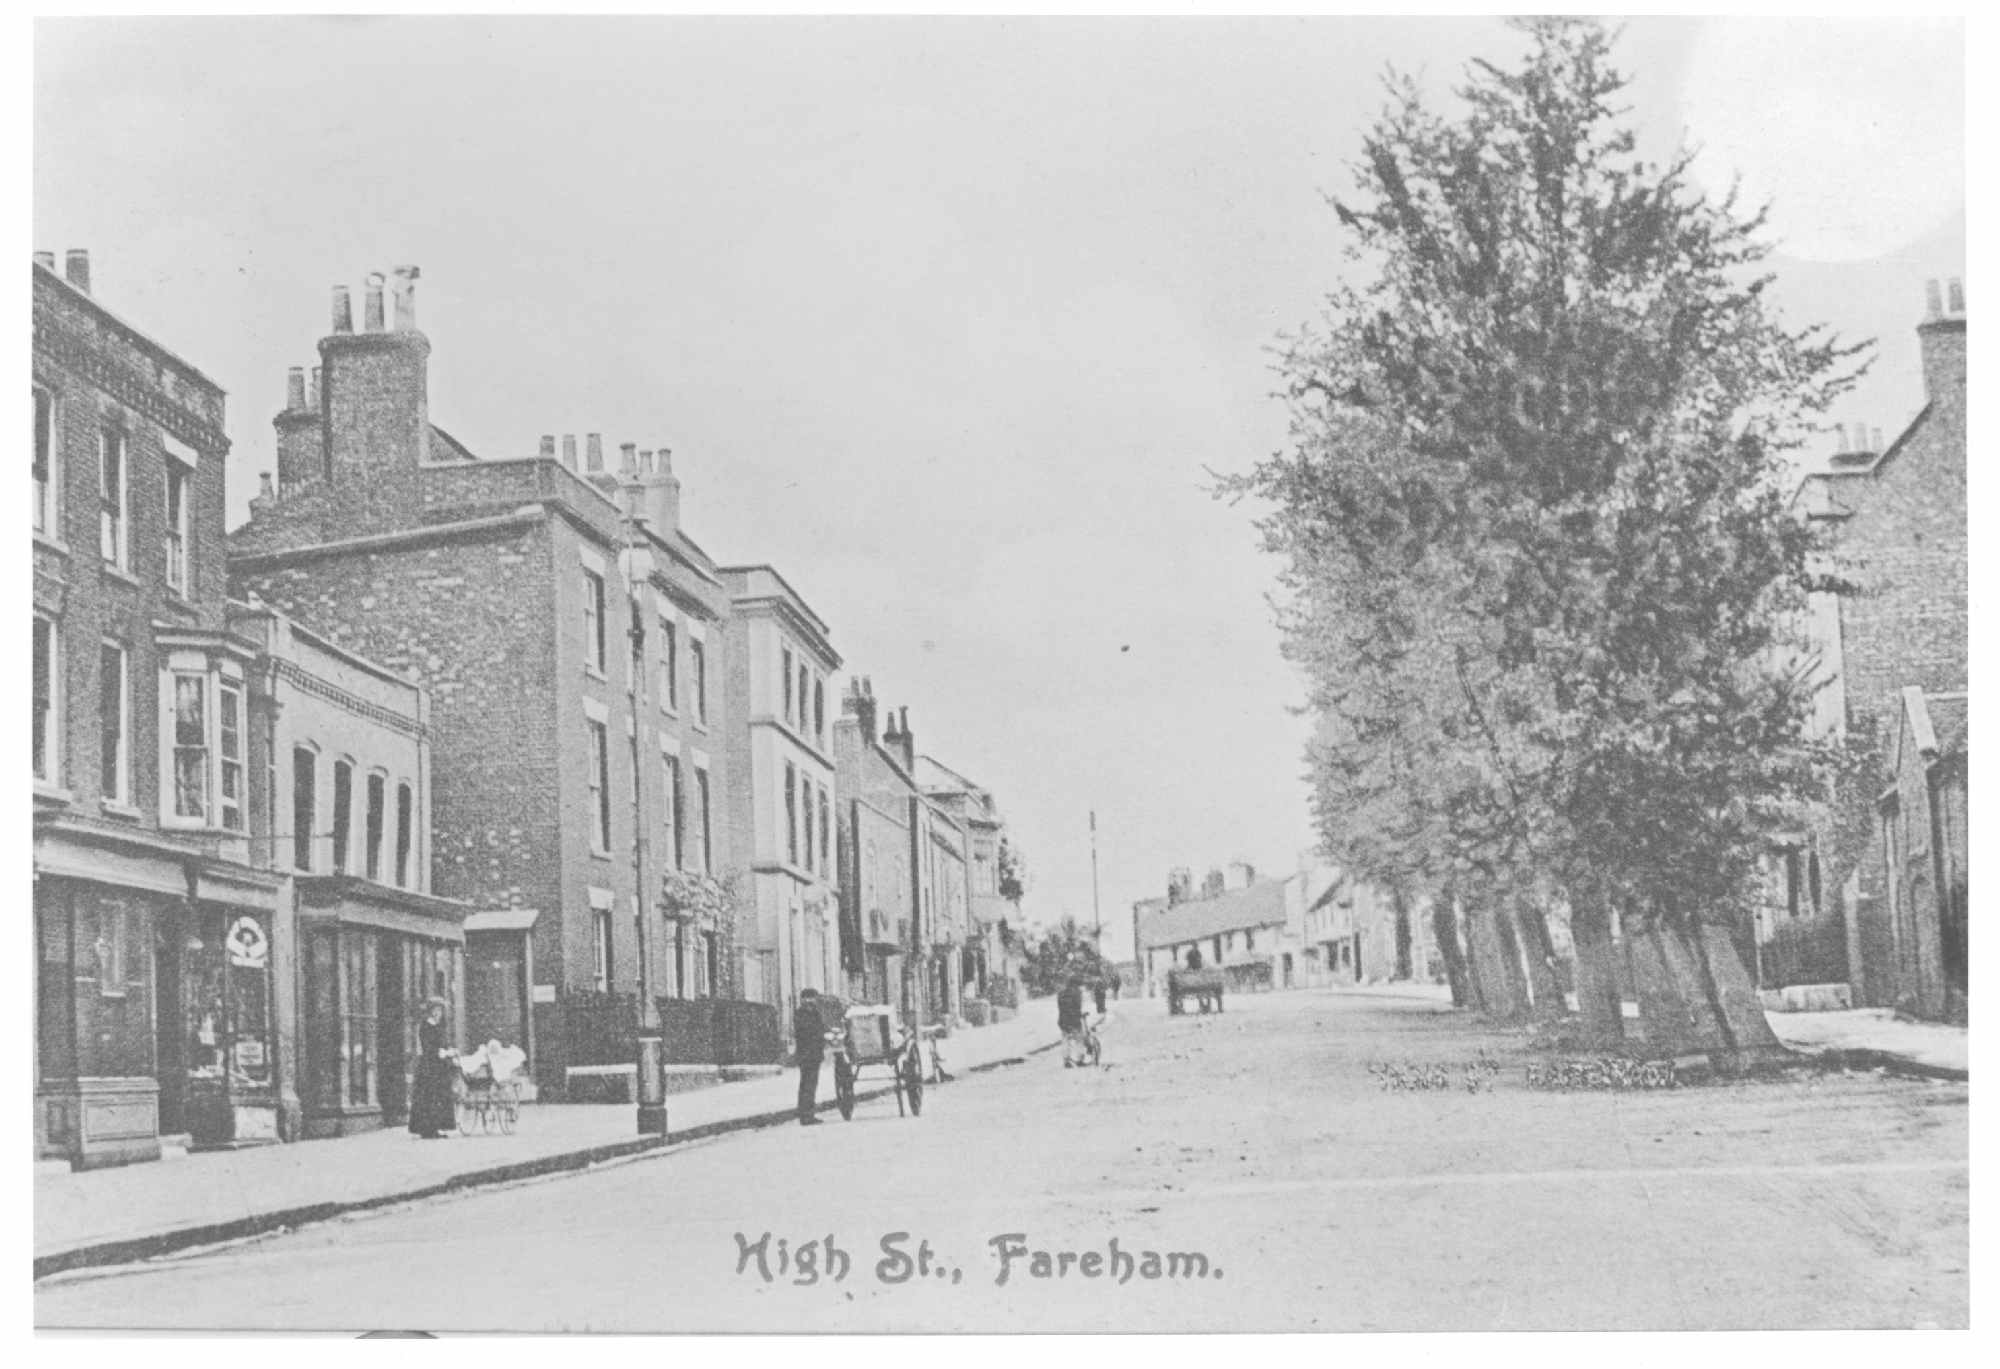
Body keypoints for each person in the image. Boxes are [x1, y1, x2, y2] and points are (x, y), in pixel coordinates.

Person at [409, 997, 457, 1139]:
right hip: (429, 1066)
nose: (438, 1013)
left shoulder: (439, 1026)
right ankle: (427, 1129)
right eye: (435, 1010)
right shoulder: (426, 1025)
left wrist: (449, 1051)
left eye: (440, 1010)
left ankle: (436, 1127)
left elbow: (444, 1043)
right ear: (430, 1011)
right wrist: (440, 1052)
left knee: (440, 1096)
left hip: (440, 1066)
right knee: (429, 1096)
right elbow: (427, 1046)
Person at [795, 988, 825, 1126]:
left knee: (811, 1084)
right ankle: (805, 1115)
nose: (810, 1001)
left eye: (812, 998)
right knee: (807, 1084)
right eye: (807, 998)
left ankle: (808, 1114)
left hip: (815, 1054)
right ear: (802, 1000)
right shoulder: (800, 1014)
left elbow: (821, 1030)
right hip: (806, 1054)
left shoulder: (816, 1014)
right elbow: (804, 1032)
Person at [1057, 976, 1088, 1068]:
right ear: (1076, 984)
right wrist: (1079, 1014)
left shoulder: (1061, 993)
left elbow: (1060, 1006)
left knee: (1065, 1040)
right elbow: (1078, 1006)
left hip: (1063, 1020)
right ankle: (1080, 1060)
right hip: (1074, 1019)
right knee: (1079, 1040)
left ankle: (1066, 1060)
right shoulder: (1077, 993)